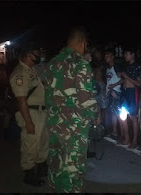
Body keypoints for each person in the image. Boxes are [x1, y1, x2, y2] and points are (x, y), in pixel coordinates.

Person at [44, 26, 100, 193]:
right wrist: (97, 114)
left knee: (56, 161)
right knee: (72, 166)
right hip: (73, 127)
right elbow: (86, 99)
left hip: (54, 123)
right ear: (82, 43)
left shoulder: (52, 63)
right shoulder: (80, 63)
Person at [9, 44, 48, 186]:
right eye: (36, 53)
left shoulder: (33, 70)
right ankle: (29, 173)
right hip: (30, 112)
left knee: (43, 141)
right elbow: (21, 100)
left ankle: (41, 166)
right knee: (30, 143)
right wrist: (29, 122)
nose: (39, 55)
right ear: (27, 55)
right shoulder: (20, 73)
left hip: (41, 110)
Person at [120, 47, 141, 149]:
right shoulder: (126, 66)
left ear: (132, 54)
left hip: (132, 92)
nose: (125, 56)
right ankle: (127, 138)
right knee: (123, 116)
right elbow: (123, 79)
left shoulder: (137, 67)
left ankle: (134, 141)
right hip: (124, 92)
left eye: (127, 54)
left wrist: (127, 77)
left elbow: (138, 83)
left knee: (133, 117)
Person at [104, 49, 124, 142]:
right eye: (105, 56)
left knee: (116, 113)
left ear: (112, 57)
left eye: (108, 55)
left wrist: (115, 86)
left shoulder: (117, 67)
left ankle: (120, 133)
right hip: (110, 92)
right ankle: (114, 131)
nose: (106, 57)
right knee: (112, 113)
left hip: (115, 92)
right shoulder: (108, 68)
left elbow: (123, 79)